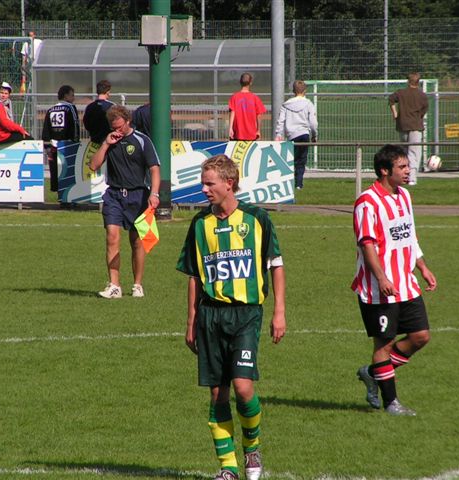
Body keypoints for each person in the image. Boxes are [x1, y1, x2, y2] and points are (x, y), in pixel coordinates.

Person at [176, 154, 286, 480]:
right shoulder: (199, 224)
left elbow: (276, 265)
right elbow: (194, 276)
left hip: (247, 313)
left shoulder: (257, 219)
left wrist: (279, 311)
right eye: (203, 183)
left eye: (210, 184)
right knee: (217, 393)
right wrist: (191, 321)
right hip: (211, 315)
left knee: (243, 388)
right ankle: (228, 469)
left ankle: (252, 447)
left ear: (229, 183)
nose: (204, 189)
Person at [352, 144, 437, 417]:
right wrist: (382, 277)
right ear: (384, 171)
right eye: (402, 167)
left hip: (406, 282)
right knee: (383, 344)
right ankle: (391, 403)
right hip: (379, 290)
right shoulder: (367, 202)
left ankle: (373, 373)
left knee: (420, 336)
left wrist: (422, 266)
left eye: (407, 166)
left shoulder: (405, 196)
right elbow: (367, 245)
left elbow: (409, 236)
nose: (408, 171)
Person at [89, 105, 160, 299]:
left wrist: (154, 194)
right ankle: (114, 285)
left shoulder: (142, 140)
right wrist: (105, 144)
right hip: (113, 195)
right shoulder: (109, 139)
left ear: (128, 121)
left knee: (137, 242)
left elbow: (154, 169)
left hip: (138, 196)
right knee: (112, 236)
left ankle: (137, 284)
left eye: (119, 126)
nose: (116, 130)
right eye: (113, 127)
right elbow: (93, 165)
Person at [274, 80, 318, 190]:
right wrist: (314, 135)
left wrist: (279, 134)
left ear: (293, 91)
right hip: (304, 134)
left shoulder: (286, 105)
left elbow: (281, 121)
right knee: (301, 160)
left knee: (290, 160)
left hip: (291, 135)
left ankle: (288, 184)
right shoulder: (308, 104)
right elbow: (313, 122)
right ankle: (299, 184)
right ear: (305, 91)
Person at [388, 72, 428, 185]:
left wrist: (395, 113)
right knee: (414, 152)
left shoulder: (401, 93)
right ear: (418, 82)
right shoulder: (422, 96)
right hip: (415, 125)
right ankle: (412, 178)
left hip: (402, 125)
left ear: (408, 81)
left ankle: (404, 176)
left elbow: (391, 100)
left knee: (405, 152)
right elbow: (424, 111)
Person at [42, 85, 80, 195]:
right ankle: (67, 198)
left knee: (56, 172)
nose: (73, 98)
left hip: (53, 145)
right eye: (72, 95)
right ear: (66, 95)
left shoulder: (51, 110)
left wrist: (47, 145)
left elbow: (46, 129)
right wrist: (75, 141)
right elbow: (75, 125)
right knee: (68, 172)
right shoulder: (70, 108)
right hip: (66, 145)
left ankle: (60, 195)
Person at [228, 73, 266, 141]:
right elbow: (258, 115)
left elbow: (232, 113)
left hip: (238, 133)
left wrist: (230, 128)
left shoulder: (234, 97)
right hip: (251, 134)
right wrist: (258, 130)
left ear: (240, 82)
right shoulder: (255, 98)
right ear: (250, 83)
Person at [83, 79, 115, 145]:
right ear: (108, 92)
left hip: (94, 142)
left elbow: (86, 124)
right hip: (108, 143)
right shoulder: (112, 106)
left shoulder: (89, 107)